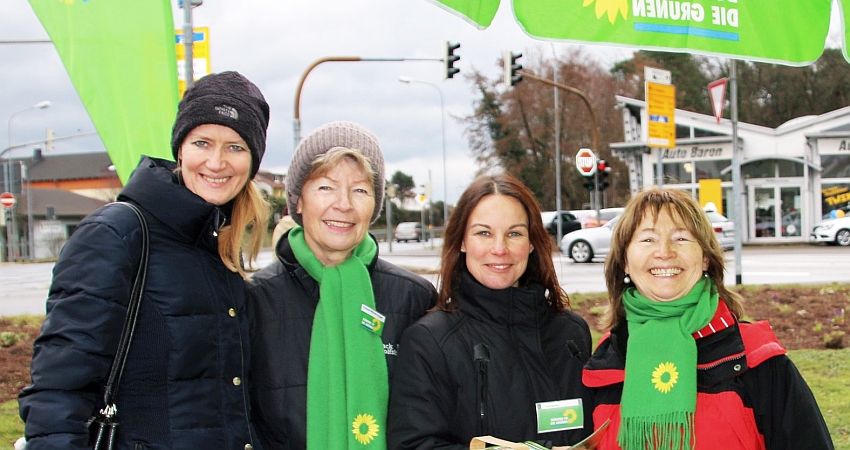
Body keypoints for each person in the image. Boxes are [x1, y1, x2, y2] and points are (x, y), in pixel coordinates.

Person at [19, 71, 271, 449]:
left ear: (252, 161)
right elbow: (58, 390)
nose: (217, 162)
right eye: (203, 142)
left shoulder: (217, 248)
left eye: (236, 147)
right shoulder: (117, 233)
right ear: (180, 149)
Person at [582, 188, 834, 450]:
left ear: (705, 258)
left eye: (681, 238)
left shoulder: (757, 360)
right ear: (624, 261)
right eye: (647, 240)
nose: (664, 252)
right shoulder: (602, 365)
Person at [246, 121, 437, 449]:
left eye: (360, 190)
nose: (344, 204)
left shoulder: (414, 298)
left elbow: (434, 418)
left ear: (374, 207)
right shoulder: (256, 299)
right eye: (326, 187)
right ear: (298, 202)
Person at [387, 173, 594, 449]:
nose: (500, 249)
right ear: (461, 241)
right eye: (484, 233)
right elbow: (413, 444)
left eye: (514, 233)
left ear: (531, 243)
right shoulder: (429, 342)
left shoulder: (571, 333)